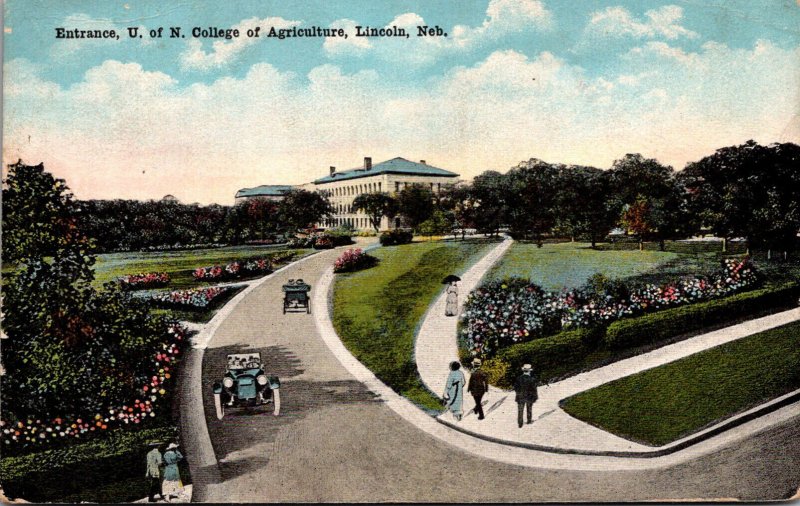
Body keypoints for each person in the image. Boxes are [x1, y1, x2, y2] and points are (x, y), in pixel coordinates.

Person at [514, 364, 539, 428]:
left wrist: (518, 394)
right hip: (529, 396)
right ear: (529, 371)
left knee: (520, 410)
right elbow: (534, 389)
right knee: (529, 408)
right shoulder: (532, 379)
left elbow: (516, 388)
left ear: (523, 371)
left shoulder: (518, 378)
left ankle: (520, 423)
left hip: (520, 396)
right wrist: (535, 397)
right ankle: (529, 420)